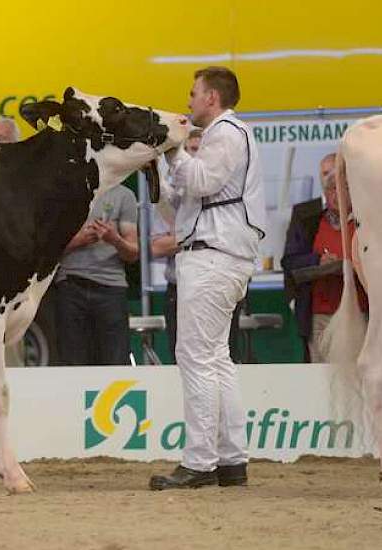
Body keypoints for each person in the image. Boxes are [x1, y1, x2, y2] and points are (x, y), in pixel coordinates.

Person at [150, 66, 266, 490]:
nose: (188, 101)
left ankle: (200, 463)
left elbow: (201, 181)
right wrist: (165, 163)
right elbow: (181, 209)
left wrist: (176, 148)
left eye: (193, 93)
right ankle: (231, 460)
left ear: (212, 98)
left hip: (214, 258)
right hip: (218, 255)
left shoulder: (227, 133)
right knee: (217, 359)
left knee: (197, 357)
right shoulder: (230, 135)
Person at [151, 129, 245, 364]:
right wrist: (195, 237)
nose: (194, 157)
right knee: (183, 359)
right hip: (178, 286)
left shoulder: (224, 193)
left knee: (222, 357)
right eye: (190, 150)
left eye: (200, 151)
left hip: (216, 281)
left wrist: (183, 237)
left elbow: (221, 238)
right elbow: (156, 247)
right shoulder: (170, 193)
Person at [54, 153, 140, 366]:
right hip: (70, 284)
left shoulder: (124, 196)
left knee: (115, 361)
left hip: (111, 287)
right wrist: (79, 240)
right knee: (72, 363)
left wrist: (114, 239)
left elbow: (133, 253)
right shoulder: (66, 195)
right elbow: (47, 251)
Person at [281, 153, 367, 363]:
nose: (336, 195)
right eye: (331, 189)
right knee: (320, 376)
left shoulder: (366, 220)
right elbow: (290, 262)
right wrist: (318, 262)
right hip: (321, 315)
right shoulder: (310, 219)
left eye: (342, 188)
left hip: (360, 312)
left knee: (360, 371)